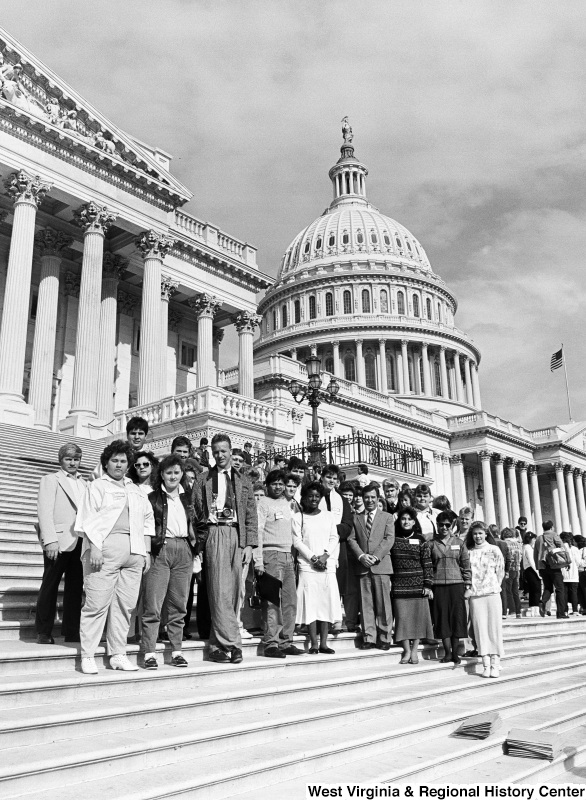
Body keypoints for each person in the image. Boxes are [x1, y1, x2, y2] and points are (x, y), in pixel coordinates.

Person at [75, 440, 154, 674]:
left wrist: (146, 552)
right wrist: (95, 548)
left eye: (123, 461)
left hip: (134, 551)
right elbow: (87, 518)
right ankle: (88, 654)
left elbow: (148, 522)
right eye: (114, 460)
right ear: (106, 463)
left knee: (125, 606)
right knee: (96, 603)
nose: (119, 464)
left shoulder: (136, 490)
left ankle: (118, 653)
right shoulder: (97, 486)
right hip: (105, 548)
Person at [191, 433, 257, 664]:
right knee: (219, 591)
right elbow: (195, 511)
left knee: (234, 591)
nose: (220, 455)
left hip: (236, 534)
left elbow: (250, 514)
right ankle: (234, 644)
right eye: (216, 451)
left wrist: (249, 544)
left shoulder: (243, 480)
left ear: (231, 451)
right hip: (214, 532)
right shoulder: (203, 478)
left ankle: (217, 646)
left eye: (223, 451)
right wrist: (200, 541)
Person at [141, 455, 196, 669]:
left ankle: (177, 650)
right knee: (153, 603)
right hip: (161, 549)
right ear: (161, 475)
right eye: (168, 472)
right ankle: (149, 652)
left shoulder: (189, 497)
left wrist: (195, 548)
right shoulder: (153, 498)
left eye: (176, 472)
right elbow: (146, 525)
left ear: (182, 474)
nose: (173, 476)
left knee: (179, 604)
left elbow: (198, 523)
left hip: (184, 550)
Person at [35, 443, 86, 644]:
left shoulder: (85, 483)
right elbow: (44, 511)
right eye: (68, 459)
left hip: (80, 542)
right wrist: (49, 540)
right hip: (57, 541)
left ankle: (71, 630)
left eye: (76, 459)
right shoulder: (50, 480)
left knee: (75, 588)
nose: (73, 463)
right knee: (49, 586)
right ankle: (43, 632)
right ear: (61, 460)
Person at [254, 469, 303, 658]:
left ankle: (286, 641)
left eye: (281, 483)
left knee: (290, 601)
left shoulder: (288, 504)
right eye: (274, 483)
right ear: (267, 485)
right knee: (272, 601)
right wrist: (258, 560)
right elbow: (258, 531)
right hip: (270, 555)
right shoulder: (263, 503)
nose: (278, 486)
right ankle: (271, 643)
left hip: (287, 556)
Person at [293, 482, 341, 654]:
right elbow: (297, 541)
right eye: (310, 496)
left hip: (326, 565)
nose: (313, 499)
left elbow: (334, 537)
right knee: (311, 605)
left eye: (317, 496)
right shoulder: (298, 517)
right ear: (304, 498)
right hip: (308, 566)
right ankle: (314, 643)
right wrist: (313, 558)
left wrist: (325, 556)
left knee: (325, 603)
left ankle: (324, 643)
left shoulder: (328, 516)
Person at [347, 484, 395, 650]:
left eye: (373, 497)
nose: (369, 500)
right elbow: (351, 539)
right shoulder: (356, 518)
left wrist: (375, 556)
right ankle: (369, 637)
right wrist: (361, 556)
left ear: (378, 498)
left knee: (383, 604)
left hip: (380, 565)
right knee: (366, 603)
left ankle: (385, 637)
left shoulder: (387, 517)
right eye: (366, 497)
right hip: (362, 566)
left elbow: (389, 539)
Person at [391, 507, 434, 664]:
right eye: (403, 519)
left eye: (409, 519)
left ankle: (415, 650)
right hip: (399, 585)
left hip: (417, 585)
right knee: (402, 619)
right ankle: (406, 651)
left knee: (417, 620)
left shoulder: (421, 540)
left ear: (414, 522)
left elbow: (427, 563)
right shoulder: (393, 539)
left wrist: (427, 585)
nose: (406, 521)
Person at [429, 510, 471, 664]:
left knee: (457, 618)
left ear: (452, 526)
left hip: (456, 584)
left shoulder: (459, 543)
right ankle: (447, 653)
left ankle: (455, 653)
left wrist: (468, 584)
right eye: (441, 525)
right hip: (438, 585)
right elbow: (428, 567)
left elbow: (466, 565)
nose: (444, 528)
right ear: (438, 526)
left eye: (447, 525)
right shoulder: (431, 544)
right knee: (442, 618)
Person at [465, 521, 505, 678]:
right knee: (480, 629)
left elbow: (500, 570)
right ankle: (485, 664)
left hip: (492, 594)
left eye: (480, 533)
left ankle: (495, 663)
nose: (478, 536)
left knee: (494, 629)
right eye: (475, 533)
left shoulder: (494, 550)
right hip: (476, 596)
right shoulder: (469, 551)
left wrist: (494, 585)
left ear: (486, 534)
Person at [320, 464, 355, 632]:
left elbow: (348, 524)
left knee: (334, 584)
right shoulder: (314, 494)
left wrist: (332, 531)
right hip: (316, 545)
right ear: (322, 477)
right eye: (329, 477)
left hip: (335, 547)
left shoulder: (340, 499)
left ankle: (334, 619)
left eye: (334, 478)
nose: (331, 481)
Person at [535, 520, 567, 619]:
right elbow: (562, 548)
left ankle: (543, 601)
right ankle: (561, 613)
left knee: (548, 587)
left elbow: (535, 554)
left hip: (543, 566)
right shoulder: (554, 535)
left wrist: (538, 567)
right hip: (554, 565)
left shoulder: (538, 538)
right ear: (552, 527)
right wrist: (566, 561)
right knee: (560, 588)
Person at [501, 528, 522, 618]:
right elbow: (520, 556)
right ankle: (518, 611)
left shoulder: (505, 543)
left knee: (508, 590)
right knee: (515, 591)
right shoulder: (518, 544)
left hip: (508, 569)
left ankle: (512, 610)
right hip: (516, 569)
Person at [560, 532, 580, 615]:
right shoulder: (574, 549)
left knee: (564, 593)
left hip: (563, 573)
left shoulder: (560, 548)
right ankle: (575, 610)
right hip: (573, 573)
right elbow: (578, 562)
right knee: (574, 592)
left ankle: (565, 611)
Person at [522, 531, 541, 616]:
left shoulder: (526, 547)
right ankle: (535, 609)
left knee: (534, 590)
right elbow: (531, 561)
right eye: (534, 539)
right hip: (531, 570)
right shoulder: (528, 548)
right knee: (536, 590)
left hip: (528, 570)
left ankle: (534, 609)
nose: (534, 540)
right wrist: (537, 572)